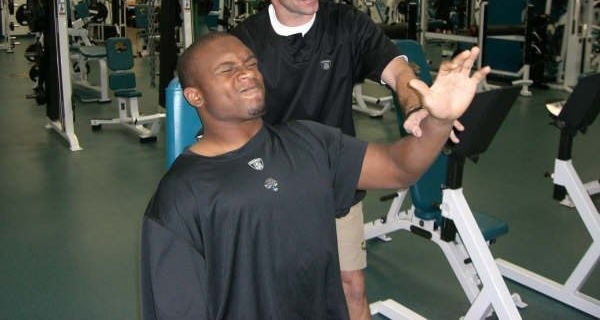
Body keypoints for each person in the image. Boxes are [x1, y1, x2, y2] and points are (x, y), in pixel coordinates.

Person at [141, 33, 488, 320]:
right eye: (227, 70)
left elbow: (399, 168)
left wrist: (439, 122)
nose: (247, 73)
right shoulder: (180, 195)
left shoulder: (309, 141)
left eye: (250, 64)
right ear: (194, 95)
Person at [231, 0, 431, 319]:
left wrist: (416, 104)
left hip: (335, 178)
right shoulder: (246, 42)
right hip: (271, 184)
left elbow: (397, 70)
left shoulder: (345, 24)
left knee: (352, 288)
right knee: (275, 293)